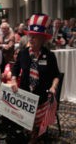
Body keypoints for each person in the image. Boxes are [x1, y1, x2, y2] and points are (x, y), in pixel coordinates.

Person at [11, 14, 60, 143]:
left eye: (35, 37)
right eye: (30, 36)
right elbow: (15, 69)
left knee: (36, 131)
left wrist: (53, 86)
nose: (31, 39)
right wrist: (13, 80)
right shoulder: (23, 53)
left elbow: (56, 75)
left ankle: (35, 134)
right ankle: (29, 134)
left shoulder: (49, 56)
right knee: (22, 126)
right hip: (25, 95)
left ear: (43, 39)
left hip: (42, 97)